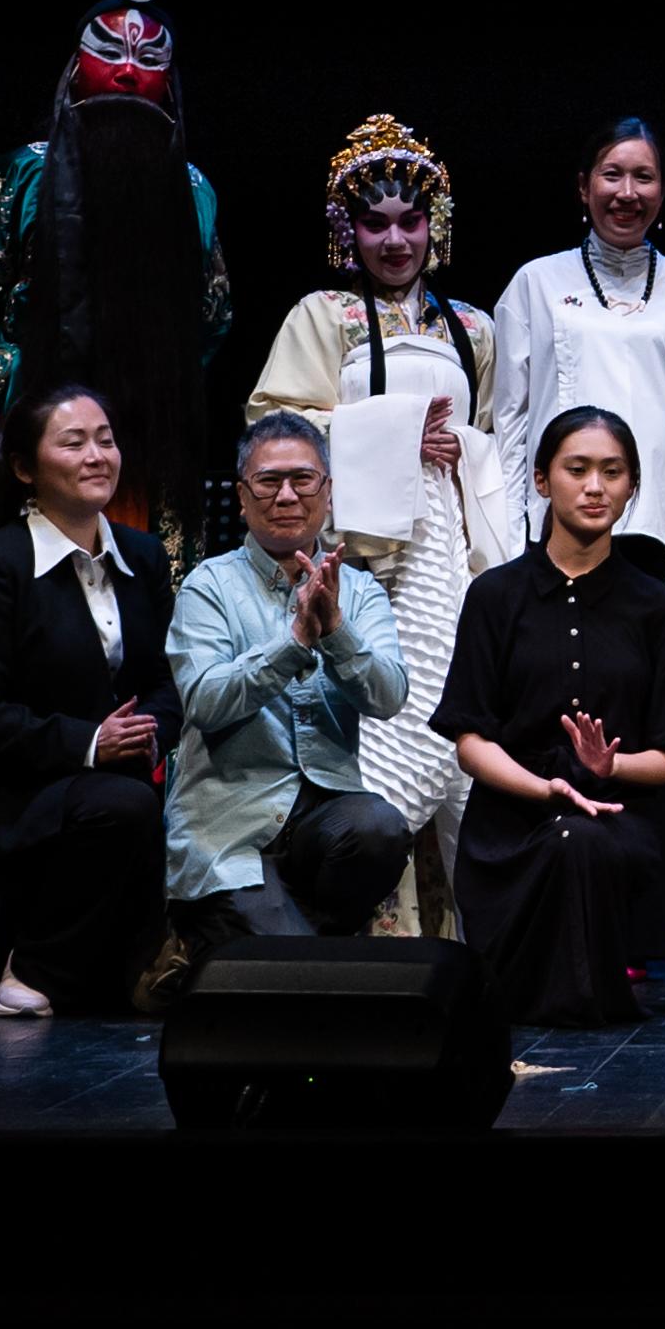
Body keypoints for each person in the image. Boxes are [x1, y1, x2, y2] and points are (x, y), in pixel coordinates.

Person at [246, 113, 518, 938]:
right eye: (375, 223)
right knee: (383, 715)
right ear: (348, 231)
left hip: (450, 541)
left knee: (458, 711)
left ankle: (470, 938)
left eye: (410, 221)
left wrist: (458, 447)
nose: (395, 240)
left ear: (436, 225)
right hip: (360, 549)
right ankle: (358, 924)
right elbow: (275, 424)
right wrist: (397, 435)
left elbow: (496, 437)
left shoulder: (472, 326)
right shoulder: (323, 314)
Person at [0, 0, 230, 576]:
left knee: (145, 590)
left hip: (150, 432)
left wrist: (159, 375)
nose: (127, 72)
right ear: (75, 67)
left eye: (148, 58)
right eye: (108, 52)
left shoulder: (192, 189)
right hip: (36, 422)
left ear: (169, 82)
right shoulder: (24, 172)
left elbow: (212, 315)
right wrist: (19, 380)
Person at [434, 406, 665, 1026]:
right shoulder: (495, 595)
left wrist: (611, 766)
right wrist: (545, 788)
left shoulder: (653, 607)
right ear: (541, 479)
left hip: (618, 818)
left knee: (580, 841)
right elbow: (470, 740)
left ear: (632, 486)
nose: (595, 487)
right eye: (576, 469)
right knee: (564, 838)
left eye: (612, 472)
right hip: (512, 821)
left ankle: (576, 1006)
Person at [0, 383, 177, 1017]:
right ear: (26, 469)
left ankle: (41, 924)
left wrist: (149, 732)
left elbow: (164, 681)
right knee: (123, 804)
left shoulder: (145, 556)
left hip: (121, 782)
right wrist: (92, 743)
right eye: (73, 443)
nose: (97, 456)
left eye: (105, 440)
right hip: (19, 788)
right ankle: (32, 969)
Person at [159, 413, 413, 971]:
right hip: (230, 832)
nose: (287, 495)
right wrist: (295, 642)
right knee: (296, 970)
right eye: (268, 482)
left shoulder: (360, 590)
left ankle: (238, 946)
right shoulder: (208, 586)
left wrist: (337, 630)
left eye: (303, 479)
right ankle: (224, 937)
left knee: (380, 828)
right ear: (242, 497)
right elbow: (204, 702)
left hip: (323, 830)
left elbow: (390, 696)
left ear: (328, 490)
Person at [488, 118, 665, 612]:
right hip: (554, 531)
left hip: (662, 533)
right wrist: (509, 531)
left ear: (662, 193)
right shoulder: (536, 283)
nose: (627, 193)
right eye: (612, 175)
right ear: (584, 187)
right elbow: (510, 423)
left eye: (643, 177)